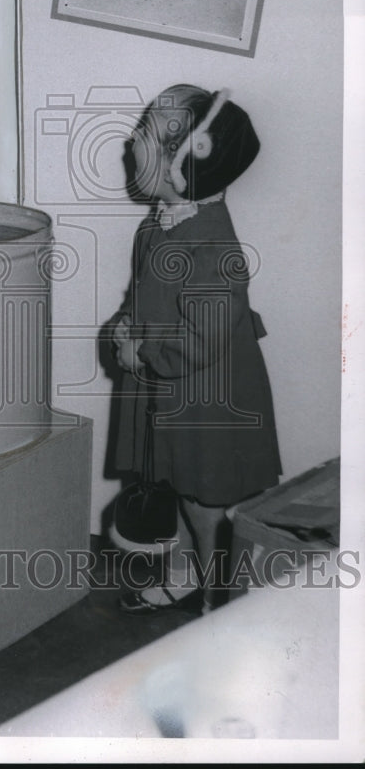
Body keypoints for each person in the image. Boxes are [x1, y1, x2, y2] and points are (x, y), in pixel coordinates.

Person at [108, 84, 281, 614]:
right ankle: (186, 574)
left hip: (206, 397)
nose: (134, 139)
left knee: (206, 505)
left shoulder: (212, 243)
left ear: (186, 162)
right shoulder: (157, 225)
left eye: (150, 131)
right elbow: (144, 297)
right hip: (173, 391)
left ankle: (218, 601)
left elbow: (201, 340)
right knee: (180, 490)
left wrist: (144, 356)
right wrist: (123, 326)